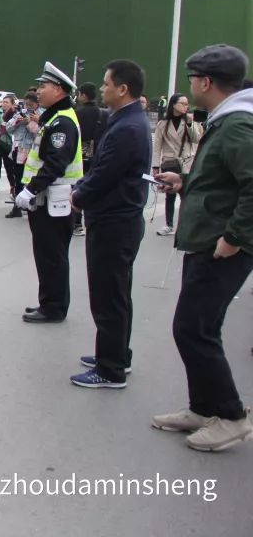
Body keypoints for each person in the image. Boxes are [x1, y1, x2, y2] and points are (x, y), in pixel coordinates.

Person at [154, 45, 253, 452]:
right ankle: (203, 406)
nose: (190, 85)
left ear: (207, 82)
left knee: (192, 329)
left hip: (221, 246)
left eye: (193, 78)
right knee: (200, 327)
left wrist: (233, 238)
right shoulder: (224, 120)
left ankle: (230, 415)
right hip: (208, 240)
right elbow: (223, 181)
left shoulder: (236, 125)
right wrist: (185, 183)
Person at [69, 60, 152, 388]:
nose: (101, 89)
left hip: (114, 222)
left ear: (123, 88)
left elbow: (105, 173)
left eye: (106, 84)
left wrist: (79, 195)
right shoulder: (128, 120)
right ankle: (116, 354)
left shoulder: (128, 127)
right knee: (116, 294)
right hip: (120, 220)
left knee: (108, 296)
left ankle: (110, 368)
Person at [15, 62, 83, 324]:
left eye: (43, 87)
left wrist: (30, 189)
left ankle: (54, 307)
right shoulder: (54, 117)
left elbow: (56, 163)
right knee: (46, 255)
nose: (38, 91)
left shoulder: (63, 122)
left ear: (58, 90)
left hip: (54, 201)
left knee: (52, 256)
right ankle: (48, 302)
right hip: (47, 201)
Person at [152, 93, 203, 237]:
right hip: (169, 162)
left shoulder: (190, 121)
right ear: (173, 104)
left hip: (186, 162)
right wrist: (155, 166)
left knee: (186, 194)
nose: (186, 107)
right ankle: (168, 224)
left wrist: (189, 123)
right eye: (183, 103)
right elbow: (157, 146)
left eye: (187, 104)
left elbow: (196, 138)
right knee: (170, 194)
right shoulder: (163, 123)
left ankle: (184, 225)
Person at [72, 82, 109, 236]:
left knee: (79, 185)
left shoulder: (77, 113)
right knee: (94, 184)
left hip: (81, 152)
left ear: (84, 95)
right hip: (98, 153)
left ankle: (76, 222)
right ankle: (90, 220)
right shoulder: (104, 113)